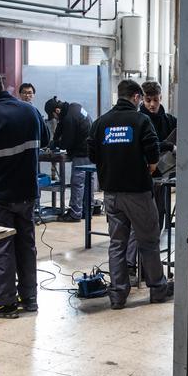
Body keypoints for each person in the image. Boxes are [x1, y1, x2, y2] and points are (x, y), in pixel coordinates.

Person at [0, 69, 50, 317]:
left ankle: (5, 302)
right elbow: (45, 140)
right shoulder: (31, 111)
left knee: (2, 247)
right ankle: (30, 298)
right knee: (26, 245)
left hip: (1, 195)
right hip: (27, 191)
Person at [88, 79, 172, 309]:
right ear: (136, 97)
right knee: (149, 241)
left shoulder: (100, 123)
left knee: (117, 244)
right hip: (138, 193)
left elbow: (92, 153)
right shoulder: (140, 120)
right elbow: (153, 152)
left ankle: (117, 295)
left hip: (111, 194)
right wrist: (150, 166)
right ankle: (157, 290)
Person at [127, 79, 177, 273]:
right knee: (137, 224)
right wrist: (167, 146)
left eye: (155, 100)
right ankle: (131, 264)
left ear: (160, 98)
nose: (152, 104)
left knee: (159, 221)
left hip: (163, 180)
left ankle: (151, 264)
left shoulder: (170, 121)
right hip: (142, 180)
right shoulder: (137, 120)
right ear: (141, 99)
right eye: (148, 100)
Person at [45, 96, 93, 222]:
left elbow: (66, 143)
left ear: (57, 110)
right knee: (88, 182)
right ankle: (87, 209)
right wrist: (54, 140)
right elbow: (61, 125)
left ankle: (75, 213)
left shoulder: (69, 118)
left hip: (82, 152)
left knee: (78, 182)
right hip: (90, 151)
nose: (55, 119)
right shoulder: (74, 106)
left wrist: (56, 145)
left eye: (53, 116)